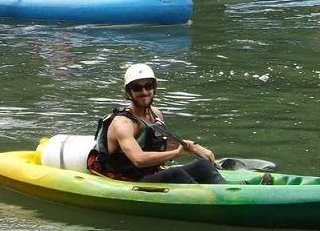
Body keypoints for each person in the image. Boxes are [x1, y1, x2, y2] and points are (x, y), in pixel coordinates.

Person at [86, 63, 227, 184]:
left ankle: (226, 193)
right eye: (137, 88)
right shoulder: (122, 124)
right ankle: (205, 204)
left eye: (148, 86)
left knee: (202, 165)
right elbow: (138, 159)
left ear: (154, 88)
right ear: (128, 93)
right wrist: (176, 154)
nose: (144, 92)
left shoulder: (155, 114)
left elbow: (163, 144)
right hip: (128, 179)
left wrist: (195, 147)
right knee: (175, 173)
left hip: (150, 173)